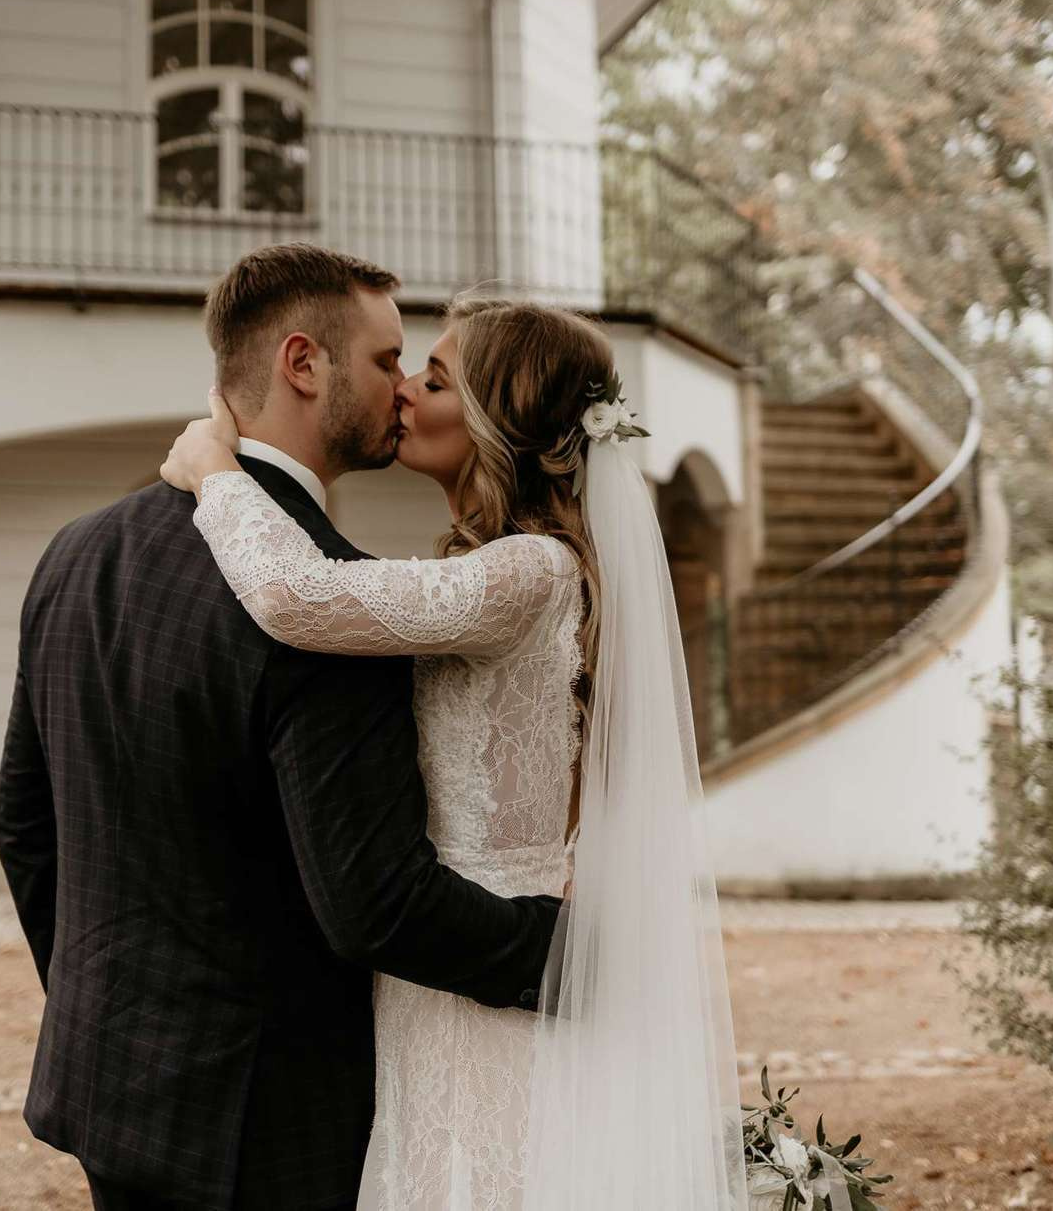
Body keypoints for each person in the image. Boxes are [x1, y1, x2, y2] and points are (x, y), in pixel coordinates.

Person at [0, 244, 564, 1211]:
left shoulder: (75, 552)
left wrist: (109, 1005)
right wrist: (562, 953)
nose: (403, 390)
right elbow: (373, 901)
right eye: (388, 361)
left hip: (108, 1085)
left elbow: (24, 824)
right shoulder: (333, 610)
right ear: (305, 363)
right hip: (266, 1121)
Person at [161, 293, 741, 1209]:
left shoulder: (527, 572)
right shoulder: (507, 566)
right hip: (446, 966)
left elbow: (294, 594)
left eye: (433, 378)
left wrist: (211, 471)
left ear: (495, 420)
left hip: (482, 966)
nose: (402, 393)